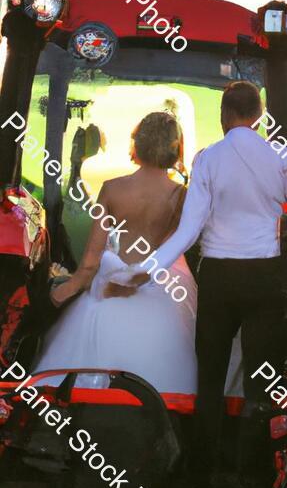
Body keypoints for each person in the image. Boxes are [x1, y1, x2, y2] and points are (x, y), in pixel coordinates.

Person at [132, 81, 287, 487]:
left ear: (224, 116)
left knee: (210, 376)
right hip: (266, 277)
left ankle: (204, 469)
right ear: (259, 116)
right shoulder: (282, 157)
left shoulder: (208, 159)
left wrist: (151, 266)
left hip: (219, 277)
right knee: (263, 378)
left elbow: (190, 229)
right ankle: (254, 471)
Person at [33, 112, 199, 394]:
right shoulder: (181, 195)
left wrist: (63, 292)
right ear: (175, 148)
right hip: (158, 292)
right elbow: (172, 250)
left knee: (69, 378)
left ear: (138, 144)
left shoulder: (112, 189)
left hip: (108, 289)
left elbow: (89, 262)